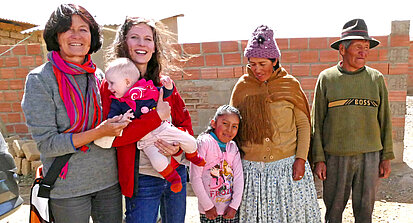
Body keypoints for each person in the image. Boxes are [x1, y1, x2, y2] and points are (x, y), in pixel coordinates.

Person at [21, 4, 128, 223]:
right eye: (67, 29)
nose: (76, 35)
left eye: (83, 29)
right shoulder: (40, 80)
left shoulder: (98, 76)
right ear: (56, 35)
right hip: (68, 187)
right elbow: (48, 144)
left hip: (108, 183)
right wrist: (100, 132)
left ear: (92, 35)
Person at [100, 17, 193, 223]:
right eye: (134, 37)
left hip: (174, 170)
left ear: (154, 47)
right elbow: (112, 138)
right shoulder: (111, 88)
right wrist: (155, 117)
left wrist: (177, 148)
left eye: (148, 39)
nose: (142, 43)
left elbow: (184, 125)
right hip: (142, 178)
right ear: (124, 43)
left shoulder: (163, 84)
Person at [229, 25, 321, 222]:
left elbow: (303, 126)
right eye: (252, 64)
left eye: (262, 63)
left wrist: (301, 159)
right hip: (252, 172)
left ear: (275, 60)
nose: (257, 69)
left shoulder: (290, 85)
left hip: (286, 167)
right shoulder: (242, 87)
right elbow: (231, 125)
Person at [311, 18, 394, 223]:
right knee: (333, 211)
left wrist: (386, 156)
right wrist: (319, 158)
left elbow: (385, 120)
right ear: (342, 49)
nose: (363, 53)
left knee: (365, 211)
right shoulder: (327, 78)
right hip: (336, 157)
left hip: (370, 156)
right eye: (358, 47)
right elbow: (317, 122)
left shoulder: (376, 79)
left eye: (366, 48)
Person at [95, 58, 205, 193]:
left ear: (127, 82)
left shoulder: (145, 88)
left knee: (190, 140)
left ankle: (193, 156)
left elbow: (163, 95)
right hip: (147, 141)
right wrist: (122, 119)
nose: (109, 87)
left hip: (164, 130)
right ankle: (173, 178)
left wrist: (169, 87)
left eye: (112, 83)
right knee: (158, 162)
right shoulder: (116, 102)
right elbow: (111, 126)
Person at [190, 105, 244, 223]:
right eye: (225, 124)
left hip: (229, 211)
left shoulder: (233, 147)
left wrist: (234, 206)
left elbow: (239, 178)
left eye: (234, 126)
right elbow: (195, 177)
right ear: (214, 123)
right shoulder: (204, 143)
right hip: (209, 211)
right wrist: (208, 206)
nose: (229, 130)